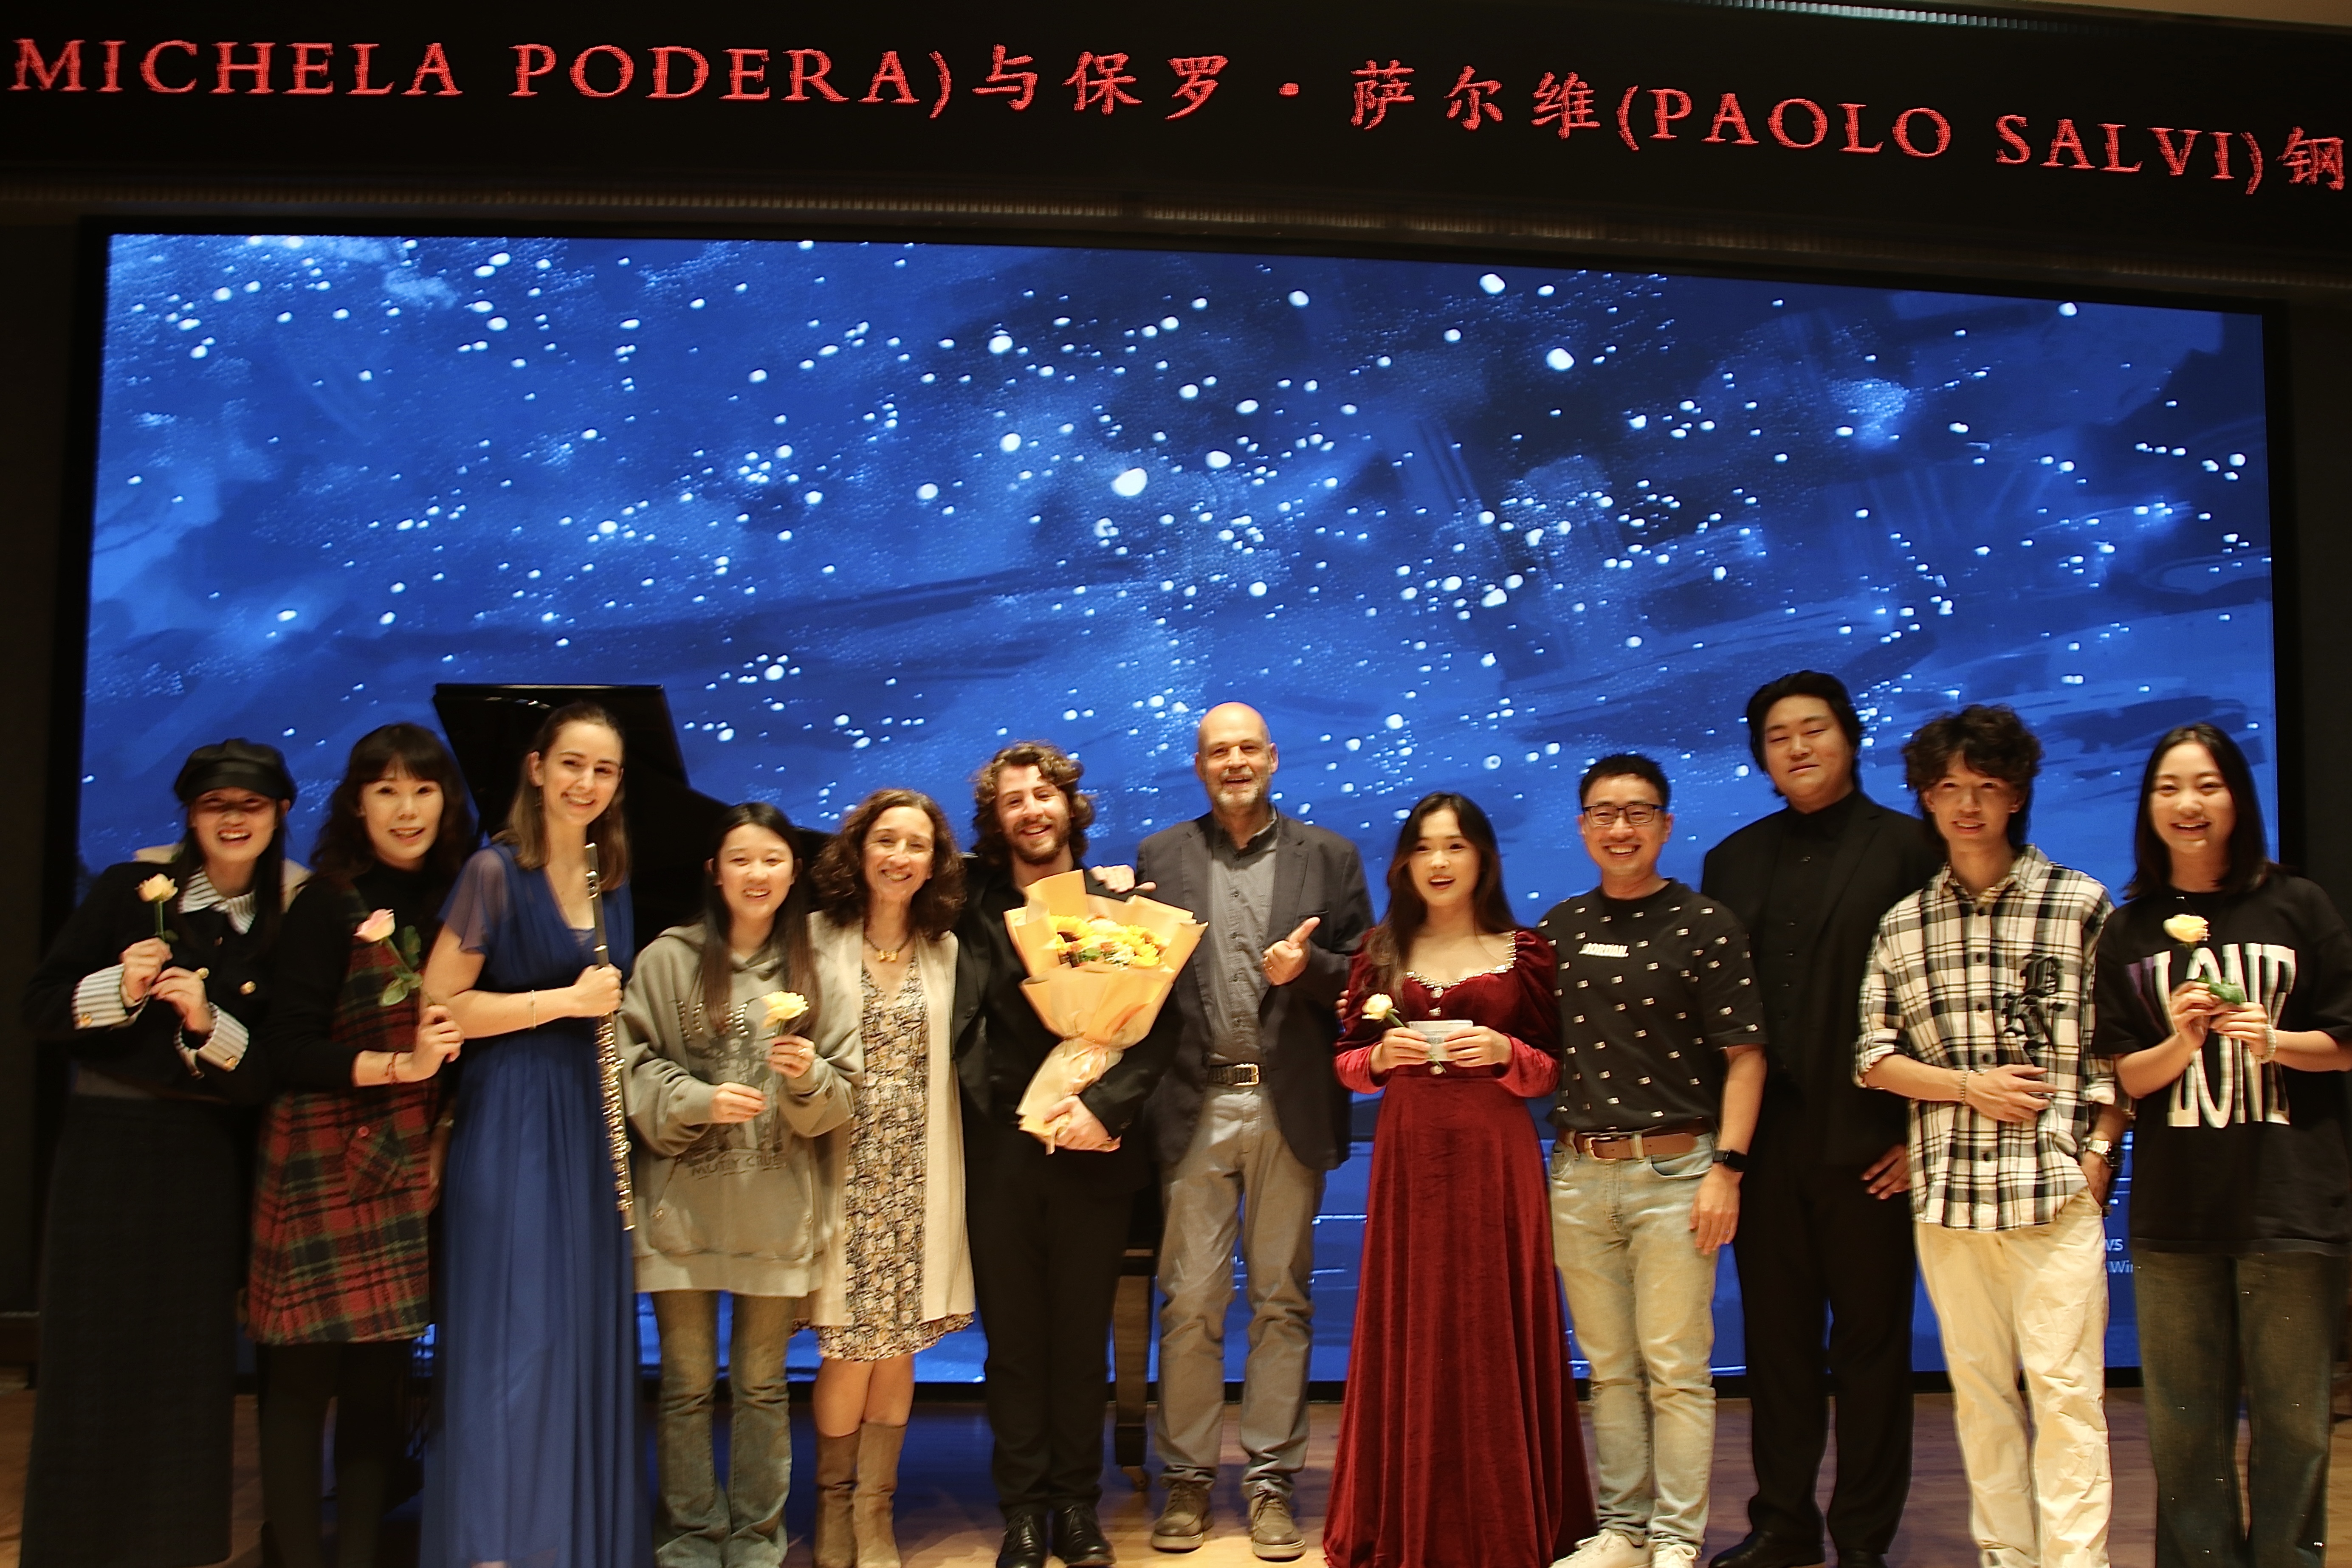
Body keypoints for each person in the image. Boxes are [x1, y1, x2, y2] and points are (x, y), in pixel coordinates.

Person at [1857, 705, 2126, 1568]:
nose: (1966, 804)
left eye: (1985, 786)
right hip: (1948, 1196)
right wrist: (1968, 1087)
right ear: (1926, 799)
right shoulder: (1904, 923)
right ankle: (2006, 1555)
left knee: (2067, 1393)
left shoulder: (2079, 904)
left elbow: (2116, 1048)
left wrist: (2098, 1153)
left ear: (2015, 794)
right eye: (1947, 787)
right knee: (1979, 1395)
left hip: (2054, 1189)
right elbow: (1872, 1057)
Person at [21, 738, 299, 1568]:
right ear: (190, 814)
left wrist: (208, 1024)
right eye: (215, 804)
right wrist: (120, 985)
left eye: (250, 805)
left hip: (204, 1155)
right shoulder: (128, 890)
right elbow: (40, 1009)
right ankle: (73, 1548)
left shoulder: (287, 922)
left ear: (280, 812)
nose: (233, 819)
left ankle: (174, 1548)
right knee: (90, 1350)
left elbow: (265, 1076)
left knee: (184, 1361)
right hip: (106, 1146)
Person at [2091, 723, 2352, 1568]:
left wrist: (2273, 1041)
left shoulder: (2298, 905)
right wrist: (2183, 1039)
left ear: (2237, 796)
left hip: (2290, 1202)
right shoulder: (2130, 929)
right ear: (2149, 807)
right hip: (2178, 1214)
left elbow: (2344, 1041)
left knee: (2294, 1425)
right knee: (2184, 1429)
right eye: (2168, 788)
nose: (2188, 804)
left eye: (2207, 785)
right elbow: (2127, 1076)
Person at [1700, 671, 1943, 1568]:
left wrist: (1921, 1137)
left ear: (1850, 736)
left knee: (1874, 1352)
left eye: (1814, 729)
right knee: (1777, 1348)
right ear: (1761, 758)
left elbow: (1944, 1006)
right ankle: (1783, 1524)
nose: (1797, 747)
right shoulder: (1730, 861)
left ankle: (1864, 1538)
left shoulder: (1912, 848)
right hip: (1763, 1146)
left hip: (1873, 1145)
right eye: (1778, 737)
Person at [1323, 791, 1594, 1568]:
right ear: (1404, 863)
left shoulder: (1526, 951)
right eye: (1423, 848)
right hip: (1410, 1161)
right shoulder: (1379, 951)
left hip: (1494, 1160)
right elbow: (1347, 1062)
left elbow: (1550, 1069)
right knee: (1409, 1319)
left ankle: (1507, 1518)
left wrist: (1506, 1054)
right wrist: (1380, 1058)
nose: (1438, 862)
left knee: (1493, 1319)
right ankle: (1402, 1518)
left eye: (1455, 846)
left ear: (1483, 858)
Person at [1135, 702, 1373, 1561]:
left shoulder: (1330, 856)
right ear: (1199, 765)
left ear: (1272, 757)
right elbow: (1140, 979)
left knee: (1282, 1299)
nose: (1234, 761)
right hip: (1193, 1103)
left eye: (1247, 748)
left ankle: (1271, 1481)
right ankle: (1188, 1478)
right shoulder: (1161, 855)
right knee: (1190, 1301)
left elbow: (1364, 977)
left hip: (1287, 1104)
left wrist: (1304, 969)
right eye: (1217, 751)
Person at [417, 701, 642, 1568]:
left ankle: (568, 1544)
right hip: (513, 1115)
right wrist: (561, 1002)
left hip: (585, 1120)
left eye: (604, 770)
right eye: (572, 764)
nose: (587, 782)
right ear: (537, 768)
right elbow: (441, 1006)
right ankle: (496, 1549)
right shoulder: (493, 870)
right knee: (516, 1336)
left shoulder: (607, 876)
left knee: (575, 1335)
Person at [247, 725, 476, 1568]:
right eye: (386, 790)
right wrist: (397, 1066)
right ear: (357, 804)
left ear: (447, 802)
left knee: (380, 1380)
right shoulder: (328, 902)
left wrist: (441, 1136)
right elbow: (287, 1048)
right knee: (302, 1379)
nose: (406, 809)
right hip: (319, 1152)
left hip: (406, 1158)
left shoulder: (462, 900)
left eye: (423, 789)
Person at [956, 741, 1178, 1568]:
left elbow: (1161, 1030)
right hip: (998, 1156)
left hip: (1094, 1149)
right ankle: (1022, 1510)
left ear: (1069, 806)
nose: (1031, 810)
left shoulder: (1117, 905)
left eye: (1043, 794)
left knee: (1082, 1345)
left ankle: (1077, 1508)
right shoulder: (966, 905)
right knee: (1014, 1347)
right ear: (996, 818)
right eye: (1013, 799)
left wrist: (1101, 1109)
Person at [1541, 756, 1768, 1568]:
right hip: (1577, 1174)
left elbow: (1746, 1055)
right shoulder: (1558, 930)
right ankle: (1622, 1531)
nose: (1620, 828)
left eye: (1637, 813)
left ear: (1666, 826)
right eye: (1603, 813)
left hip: (1677, 1175)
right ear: (1582, 827)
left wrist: (1726, 1169)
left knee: (1674, 1370)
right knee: (1609, 1370)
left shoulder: (1706, 924)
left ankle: (1675, 1538)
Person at [620, 803, 855, 1568]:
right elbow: (626, 1066)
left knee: (761, 1386)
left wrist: (808, 1077)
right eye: (741, 860)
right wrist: (697, 1099)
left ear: (794, 873)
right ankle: (690, 1538)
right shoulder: (668, 959)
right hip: (681, 1209)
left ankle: (756, 1538)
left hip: (778, 1208)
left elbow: (845, 1094)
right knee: (686, 1384)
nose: (757, 874)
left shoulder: (818, 966)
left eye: (772, 860)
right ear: (714, 872)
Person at [803, 789, 975, 1568]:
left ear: (934, 863)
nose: (899, 856)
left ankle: (875, 1515)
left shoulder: (948, 951)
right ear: (859, 849)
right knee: (847, 1348)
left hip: (919, 1173)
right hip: (843, 1170)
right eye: (886, 840)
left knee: (899, 1348)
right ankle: (833, 1509)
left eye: (916, 845)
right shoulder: (815, 939)